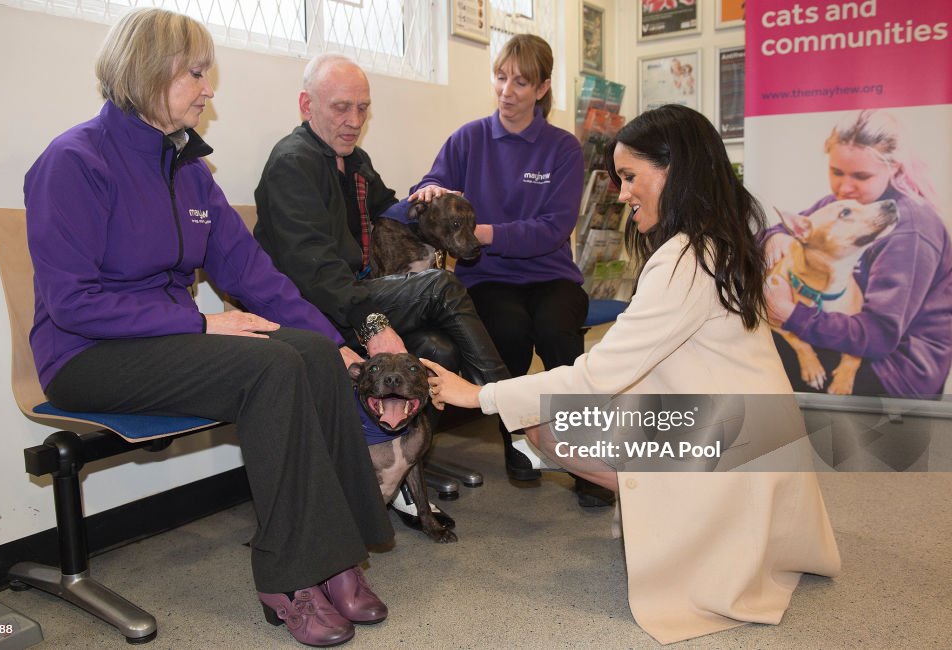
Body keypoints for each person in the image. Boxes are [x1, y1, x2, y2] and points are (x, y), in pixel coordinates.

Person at [25, 9, 394, 647]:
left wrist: (340, 347)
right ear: (147, 72)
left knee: (307, 351)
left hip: (170, 339)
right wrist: (197, 320)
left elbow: (256, 275)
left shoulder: (190, 170)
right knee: (272, 367)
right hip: (85, 353)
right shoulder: (74, 161)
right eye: (196, 73)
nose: (207, 88)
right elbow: (72, 303)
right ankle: (289, 577)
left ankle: (339, 555)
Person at [422, 104, 841, 644]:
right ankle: (667, 507)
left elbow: (598, 375)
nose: (621, 194)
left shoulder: (685, 260)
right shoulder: (720, 243)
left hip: (733, 453)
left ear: (675, 170)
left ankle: (678, 521)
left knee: (547, 428)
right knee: (570, 413)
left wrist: (479, 395)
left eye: (629, 177)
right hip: (758, 440)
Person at [252, 54, 513, 513]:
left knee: (437, 348)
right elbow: (316, 276)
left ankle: (401, 467)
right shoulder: (292, 166)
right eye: (340, 107)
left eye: (362, 108)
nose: (354, 121)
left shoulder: (353, 160)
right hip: (311, 307)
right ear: (305, 105)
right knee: (441, 286)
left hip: (352, 295)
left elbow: (388, 210)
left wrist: (425, 195)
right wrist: (373, 325)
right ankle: (514, 415)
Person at [403, 34, 601, 501]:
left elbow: (551, 228)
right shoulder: (469, 139)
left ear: (542, 87)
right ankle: (517, 436)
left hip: (552, 276)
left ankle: (590, 464)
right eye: (500, 77)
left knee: (559, 337)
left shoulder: (563, 149)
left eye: (521, 81)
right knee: (507, 332)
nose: (507, 90)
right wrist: (431, 190)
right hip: (488, 278)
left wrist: (480, 232)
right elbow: (432, 182)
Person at [764, 109, 952, 397]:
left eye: (861, 176)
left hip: (894, 370)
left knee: (757, 359)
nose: (845, 187)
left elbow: (878, 336)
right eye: (836, 172)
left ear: (895, 169)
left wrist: (791, 313)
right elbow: (781, 229)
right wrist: (775, 237)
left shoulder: (911, 229)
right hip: (852, 341)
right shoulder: (846, 200)